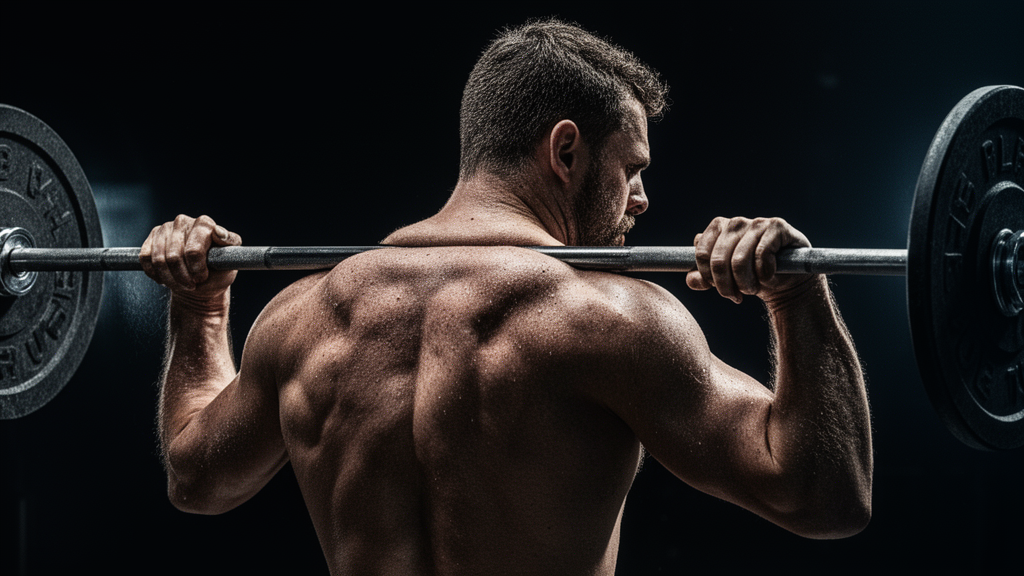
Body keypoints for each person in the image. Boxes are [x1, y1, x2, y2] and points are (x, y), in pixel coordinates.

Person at [140, 19, 872, 575]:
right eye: (631, 168)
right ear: (565, 151)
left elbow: (196, 479)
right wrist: (796, 298)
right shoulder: (609, 322)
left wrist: (201, 310)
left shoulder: (300, 319)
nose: (642, 198)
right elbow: (824, 497)